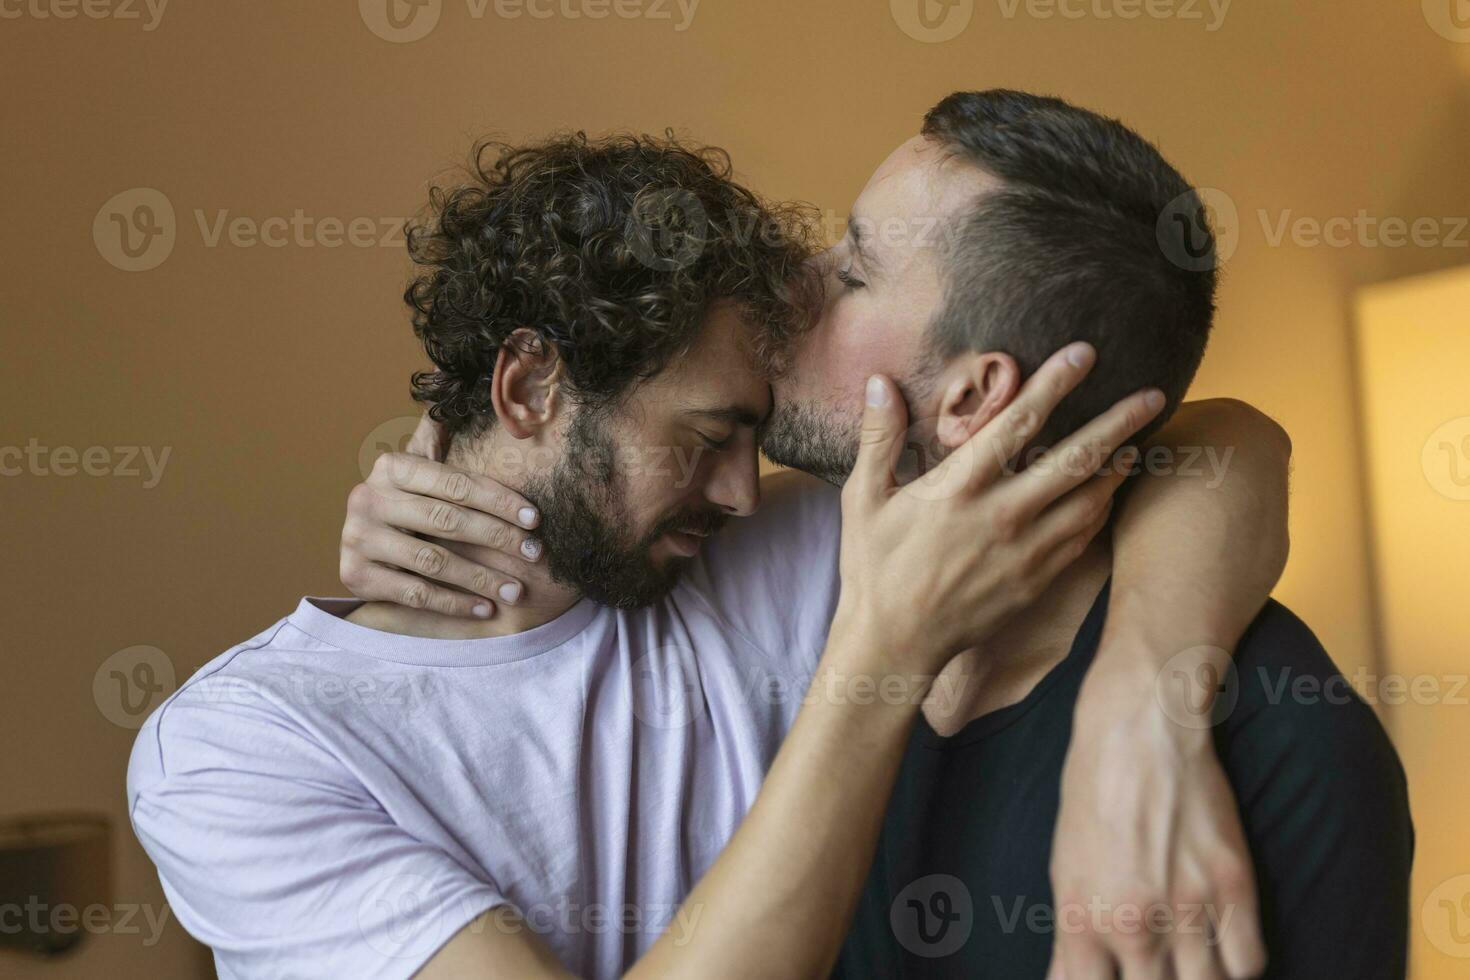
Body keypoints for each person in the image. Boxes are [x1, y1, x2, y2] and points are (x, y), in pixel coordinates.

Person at [338, 92, 1339, 977]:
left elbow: (1227, 438)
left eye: (855, 269)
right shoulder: (783, 553)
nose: (796, 283)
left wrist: (1145, 701)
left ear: (977, 393)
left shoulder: (1274, 747)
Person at [128, 131, 1160, 979]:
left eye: (753, 441)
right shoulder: (238, 750)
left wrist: (1152, 701)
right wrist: (880, 652)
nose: (744, 490)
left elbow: (1208, 443)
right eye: (707, 440)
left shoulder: (762, 559)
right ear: (529, 389)